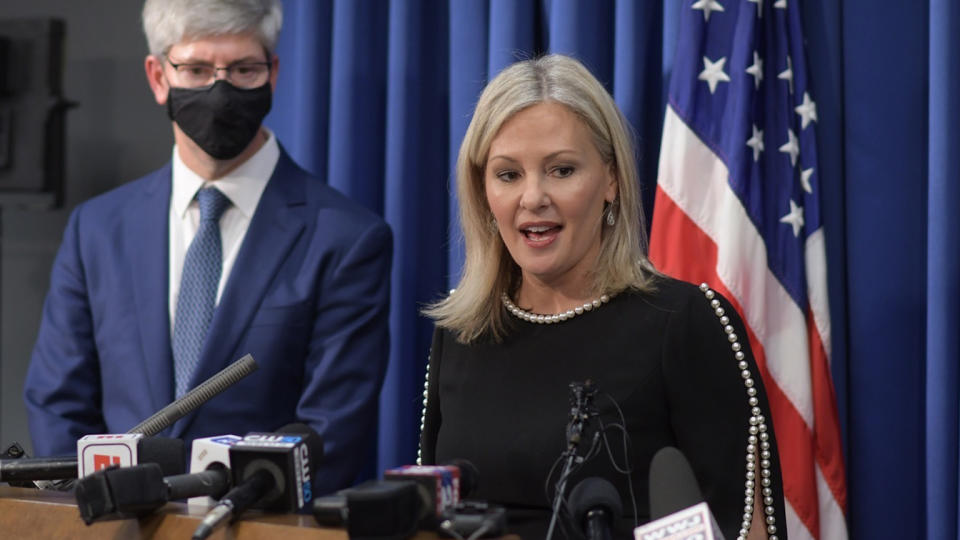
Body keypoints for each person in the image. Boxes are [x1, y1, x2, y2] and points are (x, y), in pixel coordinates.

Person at [23, 0, 392, 494]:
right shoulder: (97, 229)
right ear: (158, 77)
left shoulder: (346, 239)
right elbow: (57, 403)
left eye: (243, 69)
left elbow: (332, 432)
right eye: (196, 69)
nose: (221, 90)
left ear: (273, 73)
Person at [419, 54, 787, 540]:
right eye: (508, 175)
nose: (533, 197)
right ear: (482, 190)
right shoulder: (461, 334)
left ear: (611, 179)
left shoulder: (685, 323)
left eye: (562, 170)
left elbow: (748, 529)